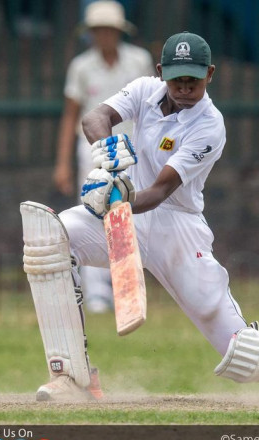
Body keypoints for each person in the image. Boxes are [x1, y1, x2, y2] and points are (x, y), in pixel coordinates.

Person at [21, 32, 259, 402]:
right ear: (160, 72)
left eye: (193, 80)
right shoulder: (144, 90)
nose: (184, 87)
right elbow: (95, 117)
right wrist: (108, 154)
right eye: (177, 78)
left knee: (240, 352)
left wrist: (117, 198)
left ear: (210, 74)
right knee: (51, 238)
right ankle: (73, 377)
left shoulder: (209, 125)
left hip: (176, 227)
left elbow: (160, 191)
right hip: (126, 215)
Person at [53, 0, 154, 313]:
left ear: (119, 31)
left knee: (129, 216)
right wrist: (62, 164)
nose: (104, 36)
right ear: (92, 33)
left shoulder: (139, 61)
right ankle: (96, 294)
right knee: (94, 216)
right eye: (99, 31)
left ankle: (127, 287)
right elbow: (71, 116)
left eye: (109, 30)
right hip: (94, 151)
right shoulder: (82, 67)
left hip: (132, 149)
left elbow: (152, 110)